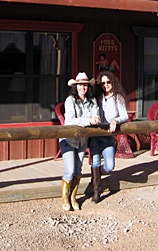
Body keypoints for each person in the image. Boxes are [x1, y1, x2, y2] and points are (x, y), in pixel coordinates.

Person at [60, 72, 100, 211]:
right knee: (70, 170)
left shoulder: (92, 101)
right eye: (80, 85)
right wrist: (88, 120)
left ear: (88, 87)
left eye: (85, 85)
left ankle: (73, 197)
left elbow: (96, 115)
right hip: (68, 139)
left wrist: (94, 119)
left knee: (78, 170)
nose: (83, 88)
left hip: (82, 140)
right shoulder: (70, 100)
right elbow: (70, 121)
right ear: (75, 87)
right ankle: (65, 198)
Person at [90, 70, 129, 203]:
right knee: (95, 161)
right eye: (103, 83)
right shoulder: (97, 97)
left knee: (109, 166)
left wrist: (115, 121)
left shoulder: (118, 97)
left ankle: (97, 174)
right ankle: (97, 190)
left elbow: (125, 115)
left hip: (108, 134)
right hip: (95, 133)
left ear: (113, 82)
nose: (105, 85)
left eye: (108, 82)